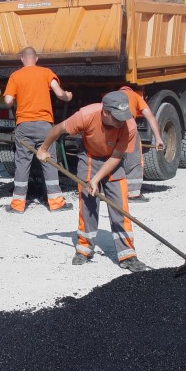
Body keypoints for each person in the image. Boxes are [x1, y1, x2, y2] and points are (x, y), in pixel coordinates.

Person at [36, 91, 147, 272]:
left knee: (120, 205)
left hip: (113, 161)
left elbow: (117, 156)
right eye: (117, 118)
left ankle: (127, 254)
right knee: (88, 204)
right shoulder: (86, 115)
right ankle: (84, 249)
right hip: (89, 157)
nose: (121, 122)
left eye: (123, 117)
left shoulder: (130, 126)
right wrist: (43, 149)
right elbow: (57, 129)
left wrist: (96, 179)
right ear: (106, 112)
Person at [2, 47, 73, 213]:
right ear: (36, 58)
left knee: (22, 164)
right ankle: (55, 203)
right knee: (49, 161)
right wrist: (68, 96)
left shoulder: (15, 76)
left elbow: (8, 101)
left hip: (24, 126)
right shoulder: (46, 72)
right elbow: (59, 93)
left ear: (21, 59)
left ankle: (18, 205)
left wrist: (13, 100)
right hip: (44, 126)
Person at [119, 86, 165, 202]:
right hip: (128, 127)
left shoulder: (111, 96)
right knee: (134, 161)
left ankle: (108, 192)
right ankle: (133, 194)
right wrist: (158, 138)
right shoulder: (136, 96)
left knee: (112, 159)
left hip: (110, 128)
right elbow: (150, 118)